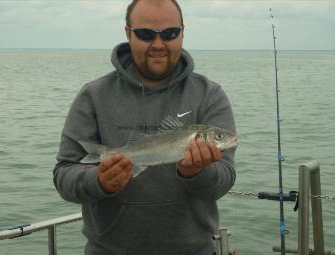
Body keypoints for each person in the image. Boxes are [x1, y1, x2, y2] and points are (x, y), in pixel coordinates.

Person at [53, 0, 236, 254]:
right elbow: (64, 176)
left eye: (170, 33)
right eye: (145, 34)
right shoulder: (94, 95)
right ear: (128, 33)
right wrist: (99, 181)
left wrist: (197, 173)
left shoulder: (209, 95)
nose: (158, 45)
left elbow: (225, 180)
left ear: (183, 32)